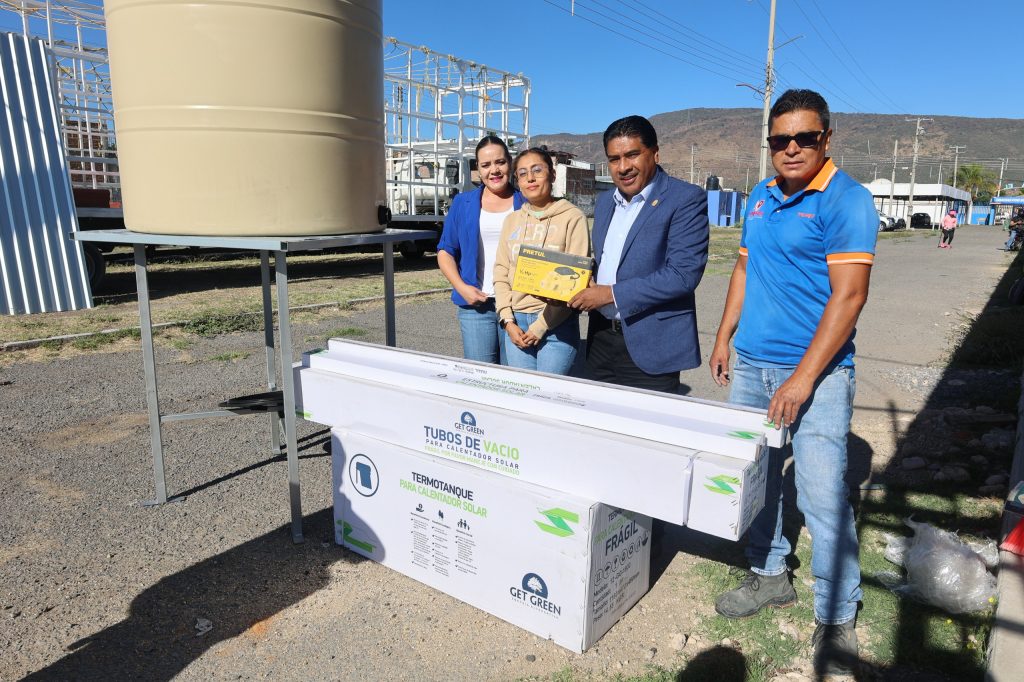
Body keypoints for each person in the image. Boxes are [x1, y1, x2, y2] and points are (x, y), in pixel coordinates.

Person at [708, 89, 877, 677]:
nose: (793, 148)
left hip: (819, 375)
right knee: (757, 480)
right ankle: (769, 573)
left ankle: (837, 613)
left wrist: (803, 379)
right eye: (781, 140)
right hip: (752, 365)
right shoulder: (760, 195)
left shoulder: (847, 200)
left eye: (805, 137)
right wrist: (724, 335)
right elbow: (744, 267)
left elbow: (849, 297)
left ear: (827, 138)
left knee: (821, 495)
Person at [567, 115, 709, 394]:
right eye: (614, 159)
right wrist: (573, 282)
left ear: (655, 153)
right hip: (600, 339)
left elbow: (682, 275)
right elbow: (606, 263)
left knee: (647, 421)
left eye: (632, 155)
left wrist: (610, 294)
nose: (623, 167)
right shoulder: (605, 201)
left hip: (652, 344)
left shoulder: (685, 199)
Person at [492, 148, 590, 375]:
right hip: (516, 322)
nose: (530, 178)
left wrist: (541, 326)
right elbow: (501, 271)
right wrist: (507, 320)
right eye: (522, 173)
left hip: (556, 325)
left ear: (552, 175)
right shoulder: (512, 220)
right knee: (523, 392)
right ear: (517, 181)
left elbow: (575, 282)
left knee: (548, 392)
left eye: (537, 170)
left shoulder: (573, 217)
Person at [437, 136, 524, 363]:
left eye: (500, 162)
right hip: (477, 306)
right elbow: (446, 251)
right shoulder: (462, 203)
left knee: (516, 377)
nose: (494, 170)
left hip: (518, 306)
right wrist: (462, 287)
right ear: (478, 168)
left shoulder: (526, 202)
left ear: (510, 163)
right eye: (486, 165)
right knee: (481, 376)